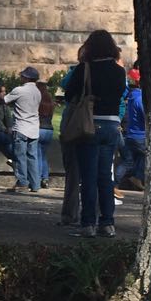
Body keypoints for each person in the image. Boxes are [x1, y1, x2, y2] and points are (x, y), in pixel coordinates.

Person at [65, 30, 127, 238]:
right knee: (105, 177)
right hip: (112, 125)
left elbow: (70, 93)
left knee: (88, 177)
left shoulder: (85, 68)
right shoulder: (119, 71)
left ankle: (88, 222)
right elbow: (119, 94)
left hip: (90, 124)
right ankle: (108, 222)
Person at [4, 67, 43, 194]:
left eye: (22, 76)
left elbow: (5, 100)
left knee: (20, 156)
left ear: (26, 78)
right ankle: (35, 184)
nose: (20, 78)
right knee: (33, 157)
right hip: (34, 128)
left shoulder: (19, 90)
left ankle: (22, 182)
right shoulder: (38, 92)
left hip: (21, 127)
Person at [58, 45, 84, 225]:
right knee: (99, 175)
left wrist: (75, 69)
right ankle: (99, 218)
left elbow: (66, 87)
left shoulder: (79, 71)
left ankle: (70, 214)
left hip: (76, 125)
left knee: (73, 173)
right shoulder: (116, 71)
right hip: (105, 124)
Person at [116, 68, 146, 189]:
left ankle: (124, 181)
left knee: (131, 160)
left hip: (130, 135)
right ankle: (136, 178)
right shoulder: (140, 98)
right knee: (145, 155)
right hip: (140, 135)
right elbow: (145, 116)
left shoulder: (131, 97)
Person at [36, 79, 56, 187]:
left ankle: (38, 178)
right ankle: (45, 178)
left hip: (39, 128)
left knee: (38, 154)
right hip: (49, 129)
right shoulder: (50, 102)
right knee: (44, 155)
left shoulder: (38, 100)